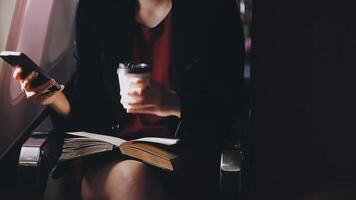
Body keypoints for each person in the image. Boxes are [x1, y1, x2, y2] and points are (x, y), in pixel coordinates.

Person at [13, 0, 244, 199]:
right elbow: (88, 108)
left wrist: (172, 104)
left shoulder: (214, 9)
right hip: (110, 155)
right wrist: (53, 97)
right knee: (133, 178)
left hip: (186, 153)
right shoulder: (96, 9)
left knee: (137, 179)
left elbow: (232, 105)